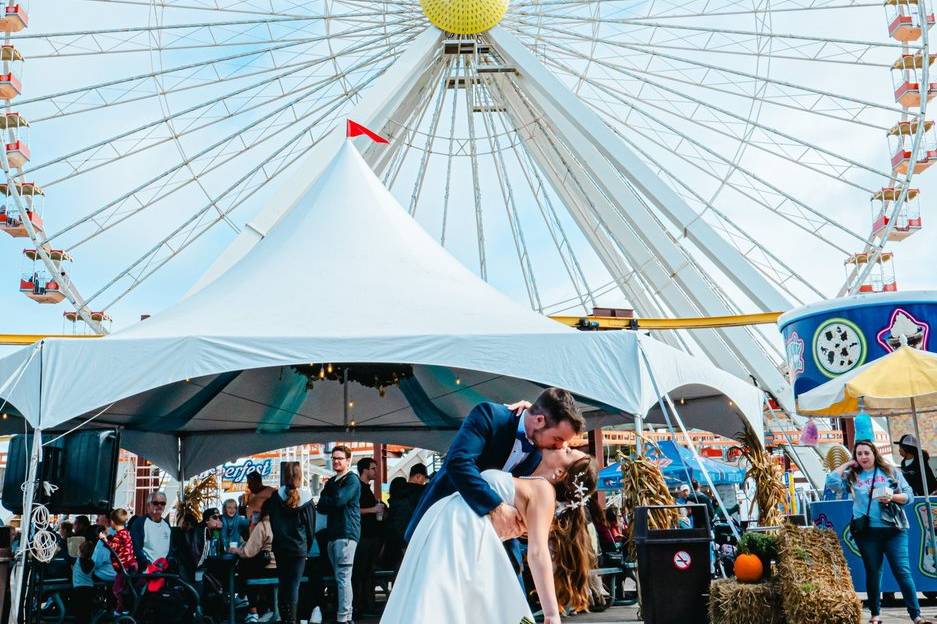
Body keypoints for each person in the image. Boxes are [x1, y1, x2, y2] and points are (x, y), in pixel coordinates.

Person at [381, 447, 598, 624]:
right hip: (451, 523)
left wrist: (551, 613)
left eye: (569, 452)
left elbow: (538, 552)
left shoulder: (544, 492)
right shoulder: (536, 482)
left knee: (434, 599)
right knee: (438, 597)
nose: (563, 446)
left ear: (560, 473)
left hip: (459, 529)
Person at [405, 388, 585, 578]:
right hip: (442, 528)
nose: (559, 446)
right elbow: (459, 463)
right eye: (558, 439)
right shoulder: (490, 415)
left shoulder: (539, 452)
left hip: (490, 547)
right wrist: (495, 506)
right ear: (539, 420)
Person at [827, 440, 932, 624]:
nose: (863, 457)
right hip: (867, 533)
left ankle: (916, 616)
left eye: (866, 453)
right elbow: (832, 482)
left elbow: (910, 496)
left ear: (874, 453)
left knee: (903, 572)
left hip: (894, 530)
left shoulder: (890, 471)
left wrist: (892, 497)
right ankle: (875, 615)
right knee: (873, 572)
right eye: (859, 454)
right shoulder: (853, 475)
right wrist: (847, 464)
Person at [264, 461, 315, 624]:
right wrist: (306, 547)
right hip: (298, 548)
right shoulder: (307, 499)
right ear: (300, 476)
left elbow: (272, 522)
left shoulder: (275, 497)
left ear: (284, 477)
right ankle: (292, 619)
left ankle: (285, 618)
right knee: (294, 586)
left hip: (280, 547)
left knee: (283, 583)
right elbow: (311, 528)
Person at [316, 446, 360, 624]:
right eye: (334, 458)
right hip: (333, 535)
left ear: (348, 460)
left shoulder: (352, 480)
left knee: (342, 577)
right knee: (340, 577)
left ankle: (344, 618)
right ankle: (345, 617)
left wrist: (329, 498)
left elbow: (339, 500)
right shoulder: (332, 482)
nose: (336, 461)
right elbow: (321, 505)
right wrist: (330, 499)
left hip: (346, 533)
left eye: (340, 458)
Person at [229, 514, 276, 623]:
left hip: (268, 567)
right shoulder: (281, 522)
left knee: (247, 565)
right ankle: (266, 607)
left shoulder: (263, 525)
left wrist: (237, 550)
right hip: (284, 567)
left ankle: (252, 609)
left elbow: (248, 551)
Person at [353, 457, 384, 618]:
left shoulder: (364, 488)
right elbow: (354, 510)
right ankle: (361, 605)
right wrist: (374, 509)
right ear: (364, 470)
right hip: (363, 536)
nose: (375, 472)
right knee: (362, 572)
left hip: (369, 536)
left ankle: (366, 604)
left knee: (367, 572)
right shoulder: (358, 488)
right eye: (373, 468)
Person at [104, 509, 137, 613]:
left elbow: (113, 546)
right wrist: (109, 536)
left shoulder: (119, 535)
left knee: (117, 589)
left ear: (113, 522)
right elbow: (117, 542)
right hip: (131, 564)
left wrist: (104, 539)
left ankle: (122, 609)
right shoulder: (126, 533)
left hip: (124, 567)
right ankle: (126, 608)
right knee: (126, 589)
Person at [129, 491, 174, 569]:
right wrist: (147, 564)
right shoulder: (139, 523)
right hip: (147, 573)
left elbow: (170, 548)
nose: (159, 506)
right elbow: (136, 548)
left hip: (165, 572)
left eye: (163, 503)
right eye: (156, 503)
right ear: (148, 505)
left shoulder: (167, 524)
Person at [71, 539, 97, 621]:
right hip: (89, 588)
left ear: (80, 550)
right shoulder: (92, 563)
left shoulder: (76, 560)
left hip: (78, 589)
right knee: (87, 613)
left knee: (79, 614)